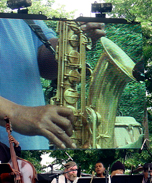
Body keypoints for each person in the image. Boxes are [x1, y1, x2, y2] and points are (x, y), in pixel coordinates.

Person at [0, 17, 105, 150]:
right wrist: (15, 113)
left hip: (31, 147)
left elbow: (44, 65)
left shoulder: (22, 13)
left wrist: (75, 39)